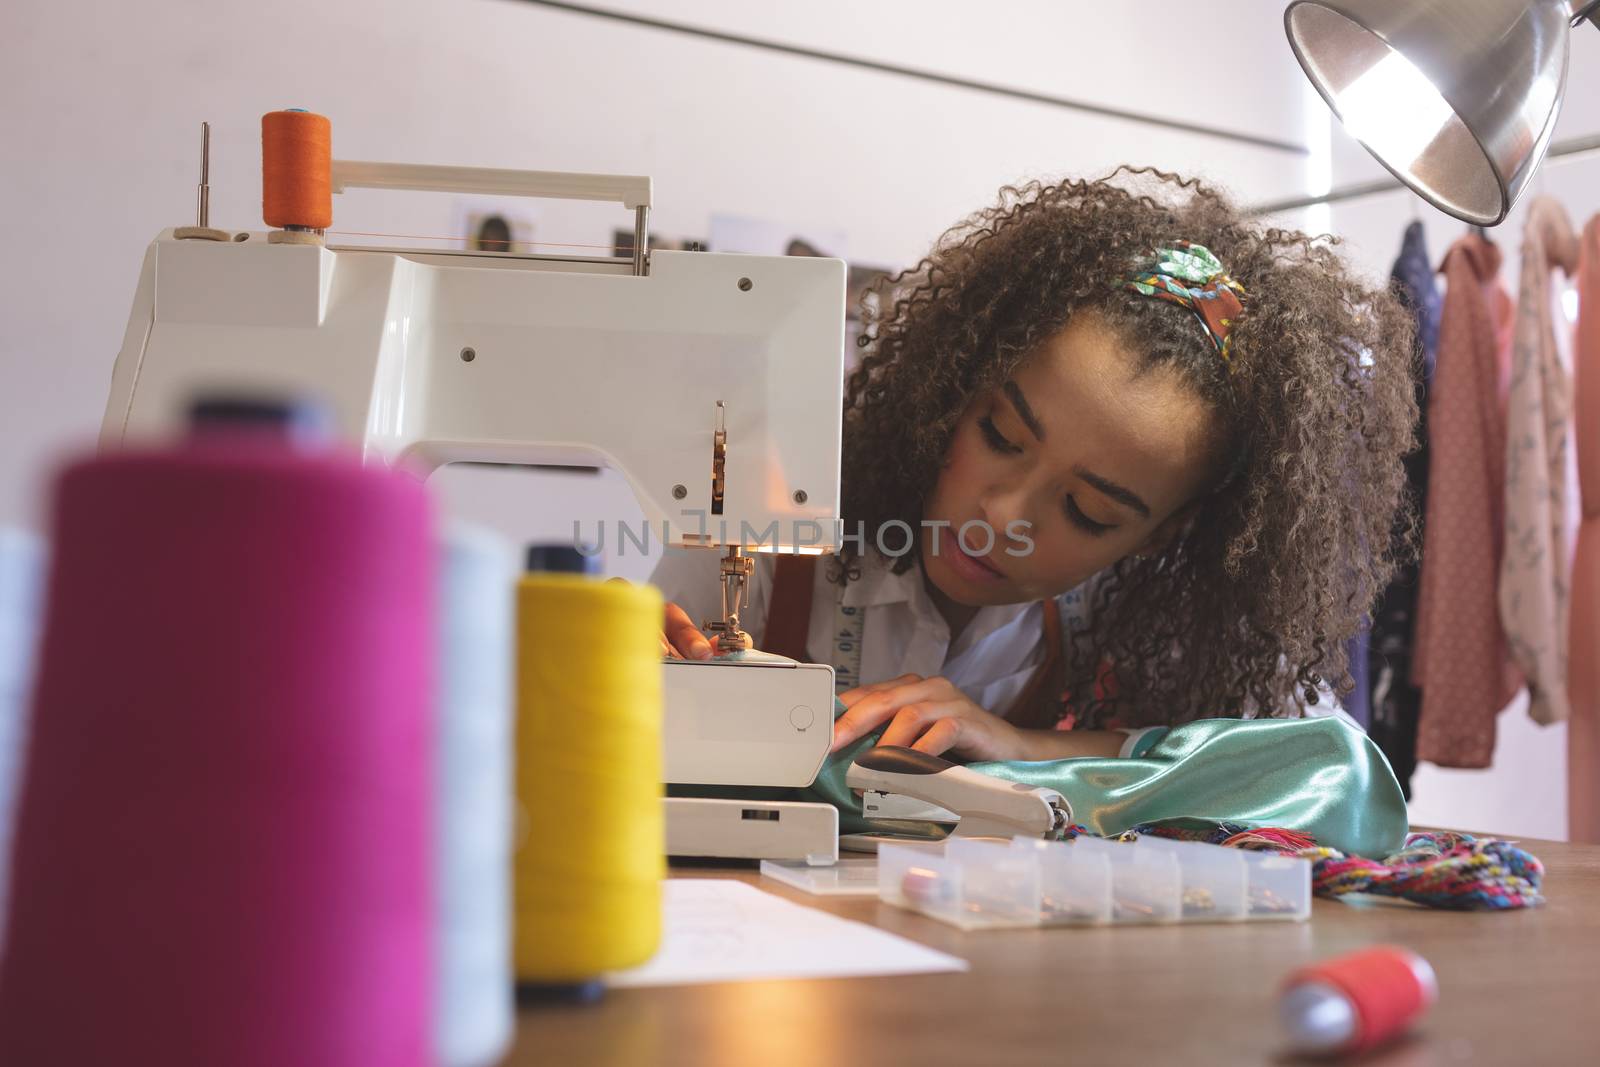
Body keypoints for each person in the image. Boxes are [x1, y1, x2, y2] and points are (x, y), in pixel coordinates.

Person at [651, 167, 1417, 766]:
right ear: (960, 388)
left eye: (1087, 512)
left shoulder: (1163, 612)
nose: (1003, 516)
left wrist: (1027, 748)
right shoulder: (766, 521)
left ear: (1161, 533)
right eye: (1001, 436)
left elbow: (1330, 765)